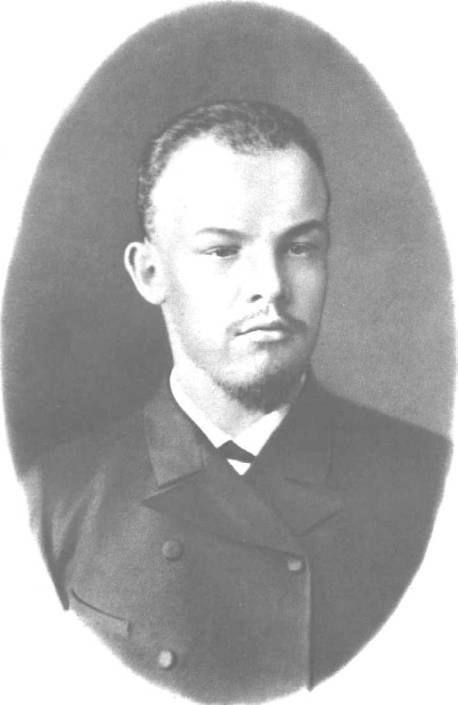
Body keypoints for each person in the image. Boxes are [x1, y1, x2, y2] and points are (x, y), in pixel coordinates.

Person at [25, 101, 449, 703]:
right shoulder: (54, 505)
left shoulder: (430, 485)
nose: (271, 286)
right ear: (149, 273)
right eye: (223, 250)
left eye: (299, 247)